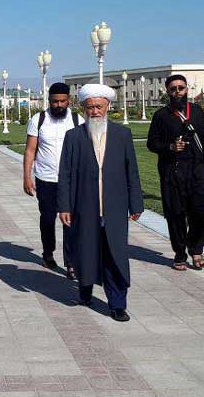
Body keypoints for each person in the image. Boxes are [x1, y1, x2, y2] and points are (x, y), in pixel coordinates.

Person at [58, 85, 143, 322]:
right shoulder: (74, 136)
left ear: (108, 107)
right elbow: (65, 174)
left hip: (114, 207)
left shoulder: (122, 135)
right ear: (83, 109)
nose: (95, 111)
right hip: (84, 207)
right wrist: (64, 206)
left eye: (99, 107)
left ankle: (117, 304)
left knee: (115, 256)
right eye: (90, 107)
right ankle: (85, 292)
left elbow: (131, 170)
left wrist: (136, 203)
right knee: (86, 251)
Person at [146, 75, 204, 271]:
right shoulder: (161, 115)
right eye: (173, 89)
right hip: (172, 172)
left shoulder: (196, 111)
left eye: (181, 88)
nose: (177, 92)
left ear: (187, 89)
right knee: (176, 214)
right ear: (168, 92)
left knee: (200, 213)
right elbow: (152, 143)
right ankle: (180, 253)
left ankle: (196, 249)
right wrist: (170, 147)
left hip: (197, 171)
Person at [23, 82, 81, 277]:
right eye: (55, 101)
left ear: (68, 100)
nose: (59, 105)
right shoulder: (38, 119)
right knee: (47, 218)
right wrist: (26, 177)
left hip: (70, 180)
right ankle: (48, 253)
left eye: (62, 101)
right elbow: (30, 150)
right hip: (45, 178)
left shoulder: (77, 120)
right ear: (49, 101)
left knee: (69, 220)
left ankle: (71, 262)